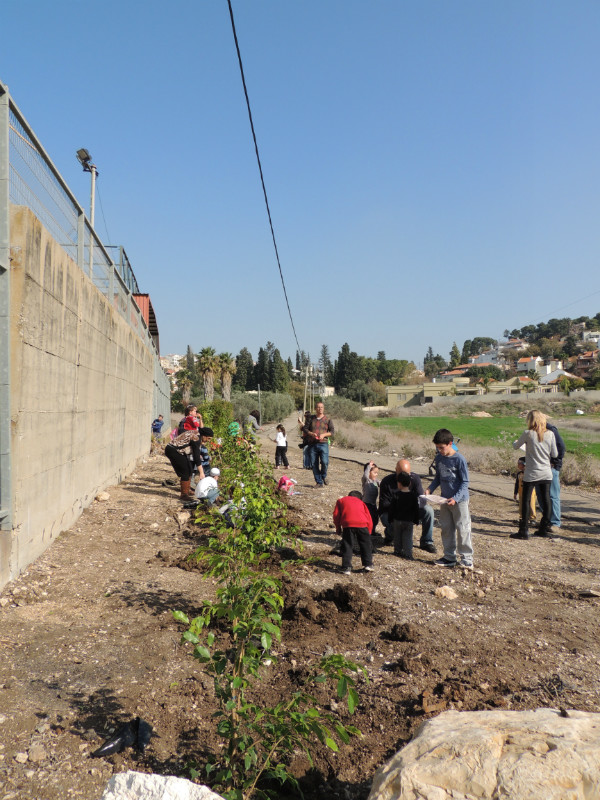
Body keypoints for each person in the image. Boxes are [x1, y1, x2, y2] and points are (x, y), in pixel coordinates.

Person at [426, 429, 473, 569]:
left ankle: (467, 560)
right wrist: (430, 489)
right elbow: (438, 478)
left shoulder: (459, 459)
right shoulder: (439, 458)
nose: (439, 450)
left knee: (463, 529)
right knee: (446, 528)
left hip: (460, 501)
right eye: (437, 447)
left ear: (450, 444)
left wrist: (456, 498)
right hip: (444, 500)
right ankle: (449, 557)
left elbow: (465, 482)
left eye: (442, 447)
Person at [511, 410, 557, 540]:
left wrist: (516, 442)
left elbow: (516, 446)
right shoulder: (551, 434)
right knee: (546, 499)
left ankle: (523, 530)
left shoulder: (528, 434)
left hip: (532, 472)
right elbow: (554, 454)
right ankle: (543, 528)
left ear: (531, 421)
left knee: (525, 500)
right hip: (546, 472)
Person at [378, 460, 436, 554]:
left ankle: (426, 542)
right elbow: (384, 504)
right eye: (402, 473)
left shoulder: (415, 478)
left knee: (428, 510)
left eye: (407, 473)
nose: (405, 476)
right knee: (395, 523)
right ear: (396, 470)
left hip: (409, 511)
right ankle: (390, 536)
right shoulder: (386, 482)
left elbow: (421, 499)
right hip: (391, 513)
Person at [333, 490, 373, 575]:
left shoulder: (341, 500)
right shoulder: (362, 503)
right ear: (360, 498)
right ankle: (368, 564)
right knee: (365, 545)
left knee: (347, 545)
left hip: (348, 524)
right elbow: (369, 517)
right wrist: (369, 531)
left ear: (349, 495)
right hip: (363, 524)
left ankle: (346, 568)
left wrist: (338, 529)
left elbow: (336, 515)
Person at [387, 469, 420, 560]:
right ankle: (408, 553)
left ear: (399, 483)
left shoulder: (396, 495)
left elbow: (392, 508)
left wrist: (390, 519)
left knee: (397, 536)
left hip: (397, 520)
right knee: (408, 537)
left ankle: (397, 550)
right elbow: (416, 509)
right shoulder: (413, 496)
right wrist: (416, 520)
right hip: (408, 521)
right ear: (409, 483)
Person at [164, 428, 204, 499]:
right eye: (209, 438)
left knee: (189, 469)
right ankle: (184, 495)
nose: (209, 440)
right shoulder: (196, 438)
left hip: (174, 449)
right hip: (173, 450)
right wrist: (201, 472)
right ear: (204, 436)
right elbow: (196, 457)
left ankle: (187, 490)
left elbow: (194, 457)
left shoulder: (196, 433)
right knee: (185, 471)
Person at [304, 402, 334, 487]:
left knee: (325, 462)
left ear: (323, 409)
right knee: (314, 463)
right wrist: (311, 433)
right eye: (318, 407)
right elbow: (305, 429)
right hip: (312, 444)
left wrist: (324, 435)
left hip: (323, 444)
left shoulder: (328, 419)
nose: (320, 409)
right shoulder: (311, 418)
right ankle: (319, 482)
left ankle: (323, 476)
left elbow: (332, 432)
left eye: (321, 407)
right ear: (315, 409)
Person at [545, 418, 565, 529]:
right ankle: (547, 520)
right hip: (542, 467)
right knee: (543, 495)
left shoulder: (551, 430)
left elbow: (561, 447)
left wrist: (555, 462)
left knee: (553, 496)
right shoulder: (535, 431)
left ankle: (555, 523)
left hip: (552, 467)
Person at [514, 456, 537, 525]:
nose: (518, 465)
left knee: (531, 505)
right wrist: (515, 493)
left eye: (519, 463)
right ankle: (522, 518)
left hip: (531, 493)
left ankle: (532, 518)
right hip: (521, 492)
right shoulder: (519, 474)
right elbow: (517, 484)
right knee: (521, 505)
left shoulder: (530, 473)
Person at [362, 461, 380, 533]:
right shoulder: (366, 480)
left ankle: (372, 530)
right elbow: (365, 475)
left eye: (377, 473)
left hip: (373, 503)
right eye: (374, 472)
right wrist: (368, 466)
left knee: (375, 518)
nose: (376, 474)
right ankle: (367, 531)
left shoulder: (375, 481)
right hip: (366, 503)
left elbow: (382, 483)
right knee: (368, 518)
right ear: (369, 472)